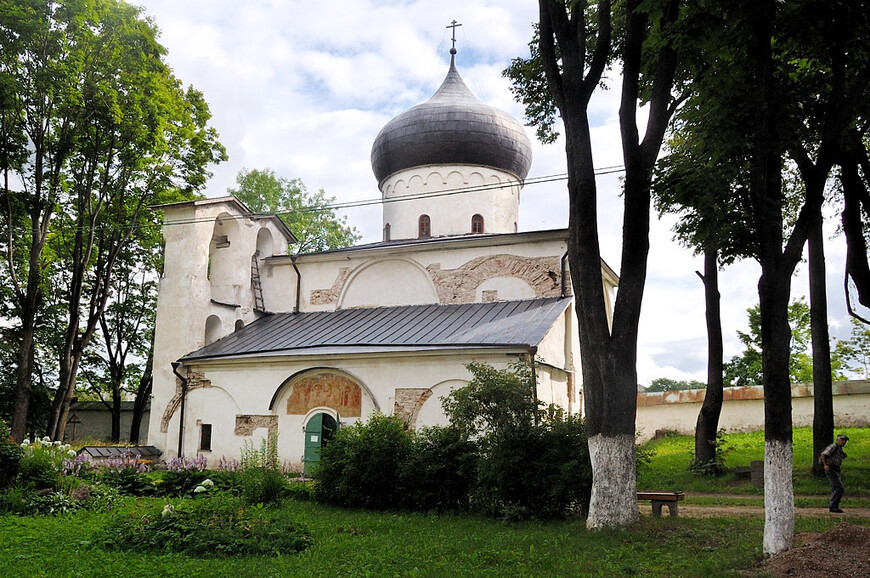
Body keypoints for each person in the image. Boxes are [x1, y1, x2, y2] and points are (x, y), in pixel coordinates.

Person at [820, 434, 849, 513]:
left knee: (835, 488)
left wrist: (843, 456)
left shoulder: (839, 448)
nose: (844, 442)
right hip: (831, 468)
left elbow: (837, 456)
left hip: (836, 469)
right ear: (837, 440)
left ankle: (834, 506)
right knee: (839, 488)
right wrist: (825, 465)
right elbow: (823, 454)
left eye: (845, 440)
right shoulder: (833, 446)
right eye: (842, 440)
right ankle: (833, 506)